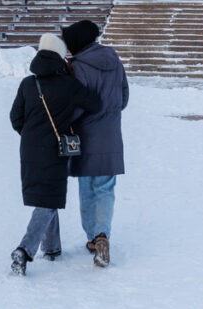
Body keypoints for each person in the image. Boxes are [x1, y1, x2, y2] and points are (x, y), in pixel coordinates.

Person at [9, 33, 101, 276]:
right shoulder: (68, 85)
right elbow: (95, 104)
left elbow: (15, 118)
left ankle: (51, 248)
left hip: (28, 148)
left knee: (47, 196)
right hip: (55, 149)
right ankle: (24, 250)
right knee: (48, 200)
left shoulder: (28, 84)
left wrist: (30, 135)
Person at [60, 20, 129, 268]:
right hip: (110, 134)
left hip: (85, 135)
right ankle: (102, 235)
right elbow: (123, 98)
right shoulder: (114, 60)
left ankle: (92, 237)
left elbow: (77, 105)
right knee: (106, 187)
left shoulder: (77, 67)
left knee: (87, 188)